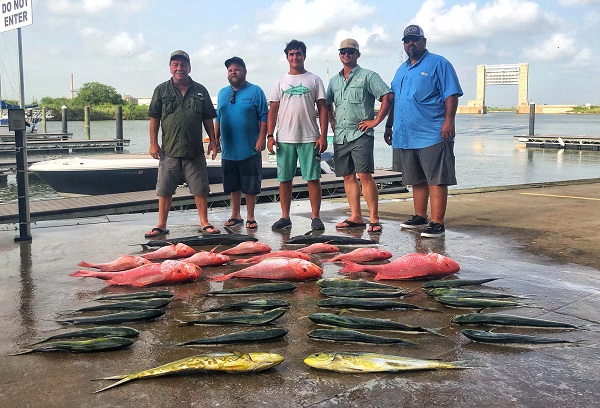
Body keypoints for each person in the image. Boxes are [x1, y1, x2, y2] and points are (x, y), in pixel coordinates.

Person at [384, 25, 463, 238]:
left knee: (436, 178)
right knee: (416, 179)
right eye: (407, 40)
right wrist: (389, 125)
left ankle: (437, 222)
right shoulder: (401, 70)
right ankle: (420, 216)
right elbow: (395, 100)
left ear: (424, 41)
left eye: (415, 40)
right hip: (406, 134)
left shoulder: (439, 63)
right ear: (403, 44)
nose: (411, 43)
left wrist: (449, 121)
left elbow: (451, 95)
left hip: (432, 133)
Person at [145, 50, 220, 238]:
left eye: (183, 65)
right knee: (164, 189)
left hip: (194, 150)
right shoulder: (161, 90)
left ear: (189, 67)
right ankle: (161, 224)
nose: (180, 68)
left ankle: (204, 222)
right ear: (170, 68)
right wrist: (153, 143)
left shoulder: (200, 90)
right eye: (175, 64)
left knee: (200, 188)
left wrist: (213, 141)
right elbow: (154, 118)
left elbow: (208, 118)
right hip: (169, 150)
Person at [326, 38, 393, 234]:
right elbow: (326, 103)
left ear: (357, 54)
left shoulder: (368, 76)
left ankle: (374, 218)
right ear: (339, 55)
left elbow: (387, 97)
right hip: (341, 136)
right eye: (343, 52)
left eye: (350, 51)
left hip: (361, 134)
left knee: (364, 175)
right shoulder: (334, 81)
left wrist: (376, 121)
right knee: (347, 176)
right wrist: (332, 121)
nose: (346, 55)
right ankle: (356, 216)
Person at [267, 39, 328, 231]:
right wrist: (270, 135)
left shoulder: (314, 79)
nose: (295, 57)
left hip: (310, 136)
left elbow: (323, 108)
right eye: (291, 54)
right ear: (287, 57)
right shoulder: (280, 81)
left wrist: (323, 135)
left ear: (304, 56)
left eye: (298, 53)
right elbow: (273, 110)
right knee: (284, 179)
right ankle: (285, 217)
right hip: (285, 138)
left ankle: (315, 216)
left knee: (313, 178)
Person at [215, 56, 268, 229]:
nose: (233, 72)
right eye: (230, 70)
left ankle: (251, 216)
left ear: (244, 71)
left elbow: (264, 116)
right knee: (233, 184)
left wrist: (262, 138)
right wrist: (215, 140)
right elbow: (218, 117)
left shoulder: (255, 91)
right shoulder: (222, 93)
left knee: (250, 185)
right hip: (229, 149)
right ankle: (235, 215)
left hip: (250, 148)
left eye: (237, 69)